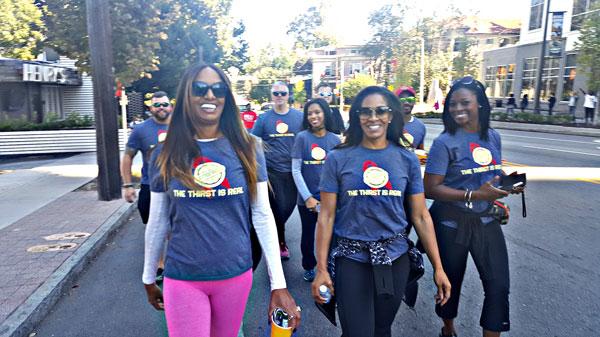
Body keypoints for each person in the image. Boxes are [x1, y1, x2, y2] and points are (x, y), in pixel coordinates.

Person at [142, 64, 301, 337]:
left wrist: (278, 283)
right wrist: (148, 277)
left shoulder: (248, 148)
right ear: (186, 97)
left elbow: (262, 215)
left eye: (218, 89)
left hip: (236, 275)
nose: (210, 96)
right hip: (183, 276)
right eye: (200, 89)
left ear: (227, 98)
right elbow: (157, 222)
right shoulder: (164, 153)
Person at [312, 86, 451, 337]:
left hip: (394, 259)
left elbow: (420, 216)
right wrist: (321, 267)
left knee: (381, 329)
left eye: (380, 111)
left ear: (390, 116)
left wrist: (438, 268)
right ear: (356, 116)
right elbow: (327, 216)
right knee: (357, 332)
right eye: (365, 111)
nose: (372, 117)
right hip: (351, 258)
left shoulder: (406, 159)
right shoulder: (338, 158)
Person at [424, 76, 524, 337]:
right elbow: (430, 188)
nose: (457, 108)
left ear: (480, 104)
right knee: (451, 284)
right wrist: (475, 194)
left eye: (464, 102)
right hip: (450, 223)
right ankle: (448, 329)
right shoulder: (444, 143)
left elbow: (491, 173)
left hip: (486, 221)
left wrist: (506, 186)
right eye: (453, 104)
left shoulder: (492, 136)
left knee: (498, 286)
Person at [121, 91, 171, 281]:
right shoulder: (141, 130)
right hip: (151, 186)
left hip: (177, 187)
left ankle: (175, 262)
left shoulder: (181, 127)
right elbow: (127, 157)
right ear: (151, 108)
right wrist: (127, 184)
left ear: (170, 106)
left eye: (164, 104)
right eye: (157, 105)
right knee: (155, 226)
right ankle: (159, 264)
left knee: (176, 227)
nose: (161, 108)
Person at [291, 98, 341, 282]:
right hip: (306, 200)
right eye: (310, 113)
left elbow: (339, 172)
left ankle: (328, 265)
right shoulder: (302, 138)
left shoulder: (335, 140)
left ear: (325, 114)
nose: (314, 116)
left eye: (317, 112)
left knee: (330, 233)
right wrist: (308, 198)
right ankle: (309, 266)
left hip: (329, 200)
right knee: (308, 234)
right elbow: (296, 170)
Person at [252, 82, 303, 259]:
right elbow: (254, 142)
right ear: (271, 96)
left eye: (283, 93)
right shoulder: (264, 119)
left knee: (288, 207)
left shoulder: (299, 117)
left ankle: (278, 234)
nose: (279, 96)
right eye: (276, 93)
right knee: (277, 209)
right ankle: (280, 242)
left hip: (293, 171)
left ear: (288, 95)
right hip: (271, 172)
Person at [395, 86, 426, 150]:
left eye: (410, 99)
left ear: (414, 102)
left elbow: (420, 151)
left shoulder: (420, 126)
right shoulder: (387, 125)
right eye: (402, 100)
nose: (406, 102)